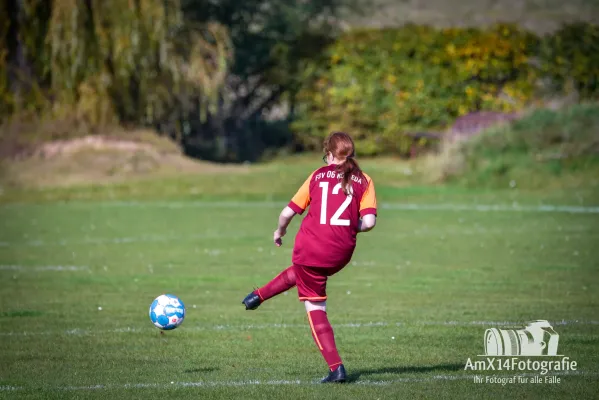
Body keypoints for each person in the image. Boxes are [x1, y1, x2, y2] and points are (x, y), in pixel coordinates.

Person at [241, 132, 377, 383]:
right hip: (340, 253)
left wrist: (279, 231)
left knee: (315, 306)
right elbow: (369, 222)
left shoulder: (317, 175)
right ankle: (257, 296)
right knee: (305, 272)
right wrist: (349, 225)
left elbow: (287, 212)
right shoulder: (365, 179)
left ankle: (336, 368)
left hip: (311, 248)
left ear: (328, 154)